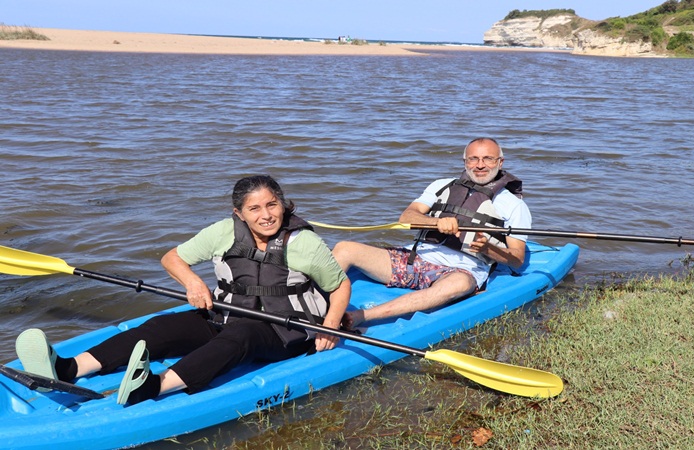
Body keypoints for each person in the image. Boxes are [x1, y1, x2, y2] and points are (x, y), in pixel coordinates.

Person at [15, 175, 350, 405]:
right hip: (228, 314)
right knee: (162, 327)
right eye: (255, 208)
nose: (266, 216)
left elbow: (339, 286)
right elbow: (172, 258)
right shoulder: (223, 231)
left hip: (285, 331)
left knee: (241, 337)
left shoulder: (303, 243)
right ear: (239, 213)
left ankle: (155, 386)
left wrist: (330, 326)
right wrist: (193, 282)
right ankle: (70, 368)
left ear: (283, 204)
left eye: (272, 205)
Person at [333, 137, 530, 327]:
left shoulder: (514, 206)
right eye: (473, 158)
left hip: (462, 270)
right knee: (344, 248)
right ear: (465, 161)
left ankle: (361, 316)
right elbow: (407, 216)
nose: (480, 165)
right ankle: (310, 303)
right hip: (415, 259)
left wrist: (488, 248)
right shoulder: (441, 185)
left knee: (459, 285)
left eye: (488, 158)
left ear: (500, 162)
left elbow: (517, 258)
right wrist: (436, 222)